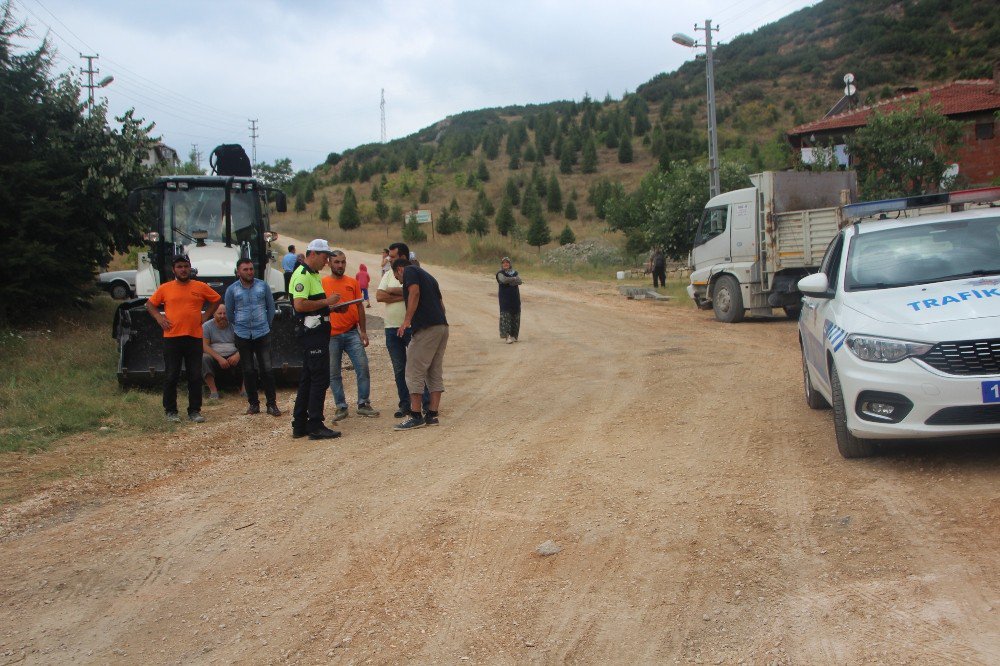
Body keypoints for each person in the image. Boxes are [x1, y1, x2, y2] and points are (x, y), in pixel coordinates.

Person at [146, 254, 221, 423]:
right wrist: (159, 318)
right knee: (171, 375)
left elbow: (216, 299)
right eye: (179, 266)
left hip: (193, 337)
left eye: (186, 266)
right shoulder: (165, 288)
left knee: (194, 375)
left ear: (190, 268)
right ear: (174, 270)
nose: (183, 269)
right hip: (172, 338)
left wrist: (206, 316)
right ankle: (170, 411)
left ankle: (194, 410)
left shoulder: (200, 286)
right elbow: (150, 304)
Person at [290, 239, 343, 440]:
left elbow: (312, 304)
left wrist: (327, 307)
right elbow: (300, 305)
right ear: (312, 254)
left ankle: (300, 423)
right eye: (324, 257)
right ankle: (315, 424)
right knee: (320, 379)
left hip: (317, 330)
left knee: (308, 379)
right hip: (312, 333)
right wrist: (326, 302)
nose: (327, 262)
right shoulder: (302, 275)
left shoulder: (313, 275)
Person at [322, 250, 380, 421]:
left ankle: (363, 403)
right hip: (331, 335)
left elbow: (360, 307)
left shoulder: (353, 283)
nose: (340, 265)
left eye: (343, 262)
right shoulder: (322, 283)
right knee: (334, 373)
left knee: (362, 367)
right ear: (329, 263)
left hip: (352, 332)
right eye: (336, 262)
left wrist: (363, 331)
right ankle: (341, 406)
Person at [392, 256, 448, 431]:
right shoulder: (430, 277)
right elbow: (441, 305)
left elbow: (414, 292)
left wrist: (407, 320)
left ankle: (416, 415)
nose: (400, 281)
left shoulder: (409, 271)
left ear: (399, 270)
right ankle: (432, 415)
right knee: (434, 370)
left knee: (413, 370)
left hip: (426, 328)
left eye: (397, 277)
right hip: (441, 326)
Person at [377, 242, 430, 419]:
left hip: (411, 326)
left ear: (403, 258)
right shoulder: (388, 274)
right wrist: (402, 292)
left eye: (392, 257)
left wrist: (392, 293)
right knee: (399, 369)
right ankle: (405, 404)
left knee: (418, 366)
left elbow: (417, 293)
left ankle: (426, 403)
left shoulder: (415, 272)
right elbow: (379, 295)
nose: (388, 259)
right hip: (391, 327)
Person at [225, 258, 281, 416]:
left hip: (262, 332)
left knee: (267, 370)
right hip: (242, 334)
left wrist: (267, 325)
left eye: (251, 269)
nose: (249, 272)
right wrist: (239, 325)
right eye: (245, 269)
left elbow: (270, 307)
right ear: (238, 272)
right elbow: (230, 313)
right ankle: (254, 404)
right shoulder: (232, 290)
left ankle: (271, 404)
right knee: (248, 370)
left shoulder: (263, 286)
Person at [201, 304, 242, 399]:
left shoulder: (236, 325)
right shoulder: (206, 326)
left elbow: (245, 343)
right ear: (213, 314)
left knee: (250, 356)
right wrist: (219, 359)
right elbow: (204, 346)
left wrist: (237, 355)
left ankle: (244, 390)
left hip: (233, 355)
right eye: (219, 313)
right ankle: (214, 392)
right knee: (203, 358)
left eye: (225, 313)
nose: (223, 316)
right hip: (215, 357)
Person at [496, 257, 523, 343]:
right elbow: (503, 280)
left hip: (515, 298)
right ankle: (507, 336)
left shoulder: (514, 272)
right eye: (504, 263)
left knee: (515, 315)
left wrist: (510, 280)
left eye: (507, 262)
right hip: (505, 298)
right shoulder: (500, 273)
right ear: (502, 264)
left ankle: (514, 335)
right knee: (506, 316)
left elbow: (520, 281)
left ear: (510, 264)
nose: (506, 264)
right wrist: (513, 279)